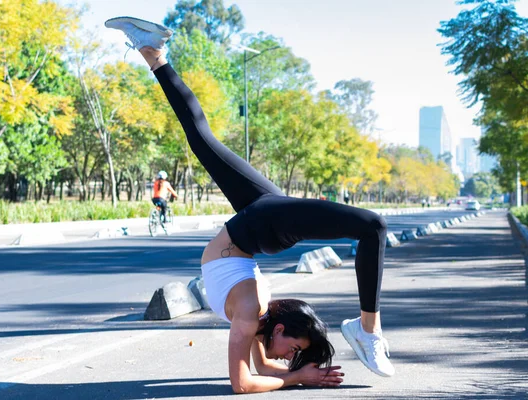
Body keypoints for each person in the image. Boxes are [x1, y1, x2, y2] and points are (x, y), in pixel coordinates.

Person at [105, 16, 394, 393]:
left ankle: (153, 54)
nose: (286, 357)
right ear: (278, 328)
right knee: (373, 226)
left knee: (202, 139)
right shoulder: (254, 312)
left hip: (258, 227)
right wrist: (298, 376)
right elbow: (254, 377)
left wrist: (297, 375)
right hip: (261, 226)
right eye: (293, 349)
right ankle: (367, 330)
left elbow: (247, 379)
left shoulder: (251, 317)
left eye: (292, 354)